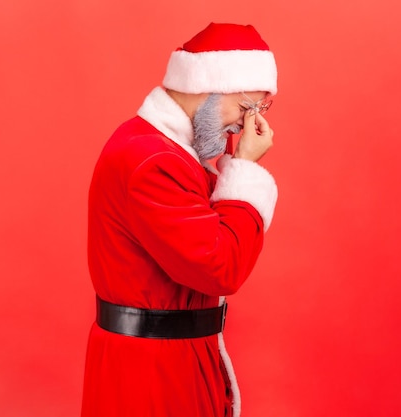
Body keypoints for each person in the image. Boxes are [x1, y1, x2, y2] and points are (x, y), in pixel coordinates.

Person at [81, 22, 278, 417]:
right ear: (205, 87)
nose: (245, 126)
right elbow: (220, 267)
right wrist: (243, 169)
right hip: (150, 374)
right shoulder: (154, 163)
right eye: (244, 108)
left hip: (165, 361)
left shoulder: (166, 152)